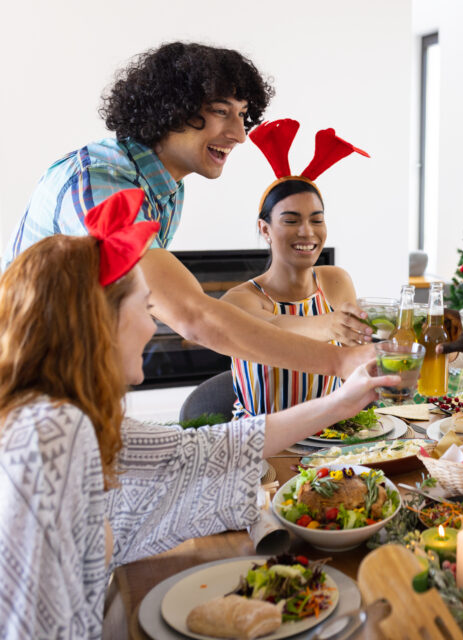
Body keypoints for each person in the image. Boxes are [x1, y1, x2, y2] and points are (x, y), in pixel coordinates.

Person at [0, 189, 398, 638]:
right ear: (100, 321)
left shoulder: (68, 418)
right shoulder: (51, 434)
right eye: (146, 307)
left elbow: (206, 446)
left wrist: (345, 400)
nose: (154, 326)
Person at [2, 42, 372, 380]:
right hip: (28, 378)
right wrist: (339, 361)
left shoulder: (167, 188)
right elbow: (192, 316)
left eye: (243, 115)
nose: (240, 133)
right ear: (170, 110)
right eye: (220, 112)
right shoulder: (101, 182)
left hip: (82, 371)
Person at [222, 119, 373, 418]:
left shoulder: (336, 280)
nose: (307, 232)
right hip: (262, 446)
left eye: (317, 220)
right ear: (265, 230)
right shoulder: (239, 300)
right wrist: (329, 324)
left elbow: (352, 366)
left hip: (334, 439)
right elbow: (269, 330)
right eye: (291, 221)